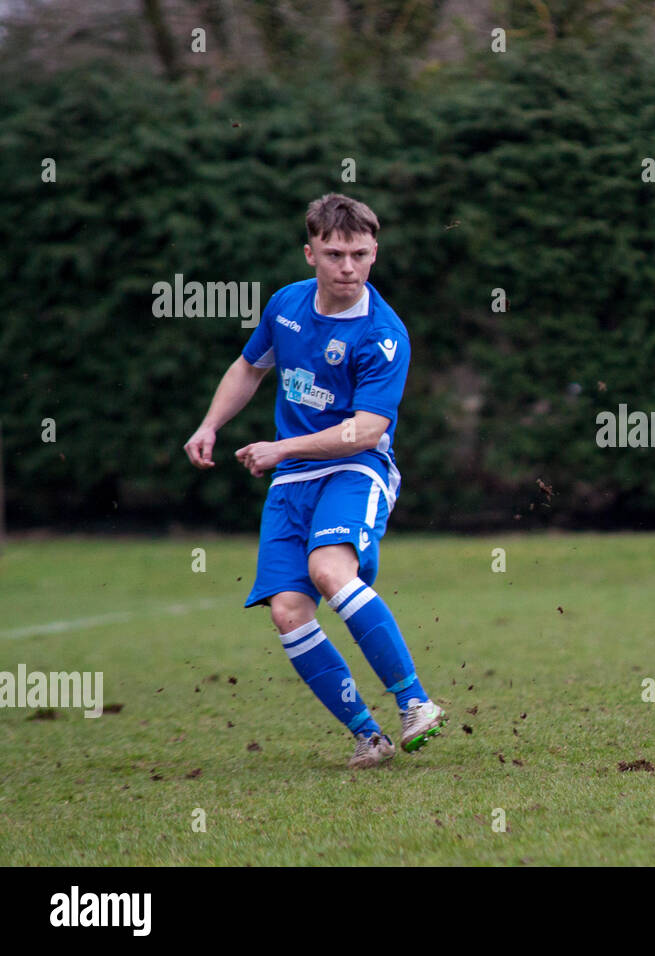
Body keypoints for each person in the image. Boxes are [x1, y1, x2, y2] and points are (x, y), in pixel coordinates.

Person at [183, 193, 445, 769]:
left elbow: (367, 431)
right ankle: (367, 735)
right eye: (334, 254)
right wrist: (210, 424)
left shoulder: (384, 334)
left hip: (356, 468)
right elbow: (251, 366)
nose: (347, 267)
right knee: (289, 610)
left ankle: (415, 703)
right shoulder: (285, 306)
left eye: (359, 254)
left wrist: (280, 448)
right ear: (310, 254)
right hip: (292, 482)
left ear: (375, 252)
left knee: (330, 570)